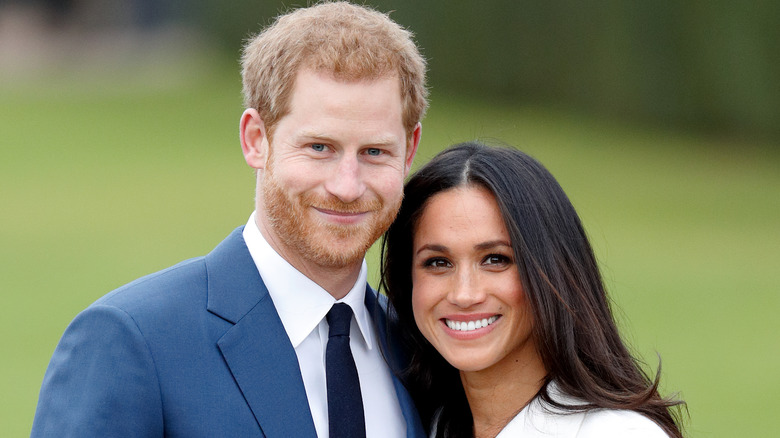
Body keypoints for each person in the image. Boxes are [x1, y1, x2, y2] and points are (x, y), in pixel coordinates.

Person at [31, 2, 427, 437]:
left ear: (408, 152)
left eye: (375, 152)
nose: (347, 186)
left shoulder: (422, 348)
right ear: (256, 140)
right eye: (319, 147)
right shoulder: (132, 341)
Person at [381, 142, 685, 438]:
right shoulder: (415, 422)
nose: (464, 294)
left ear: (551, 271)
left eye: (496, 259)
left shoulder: (618, 433)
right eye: (437, 263)